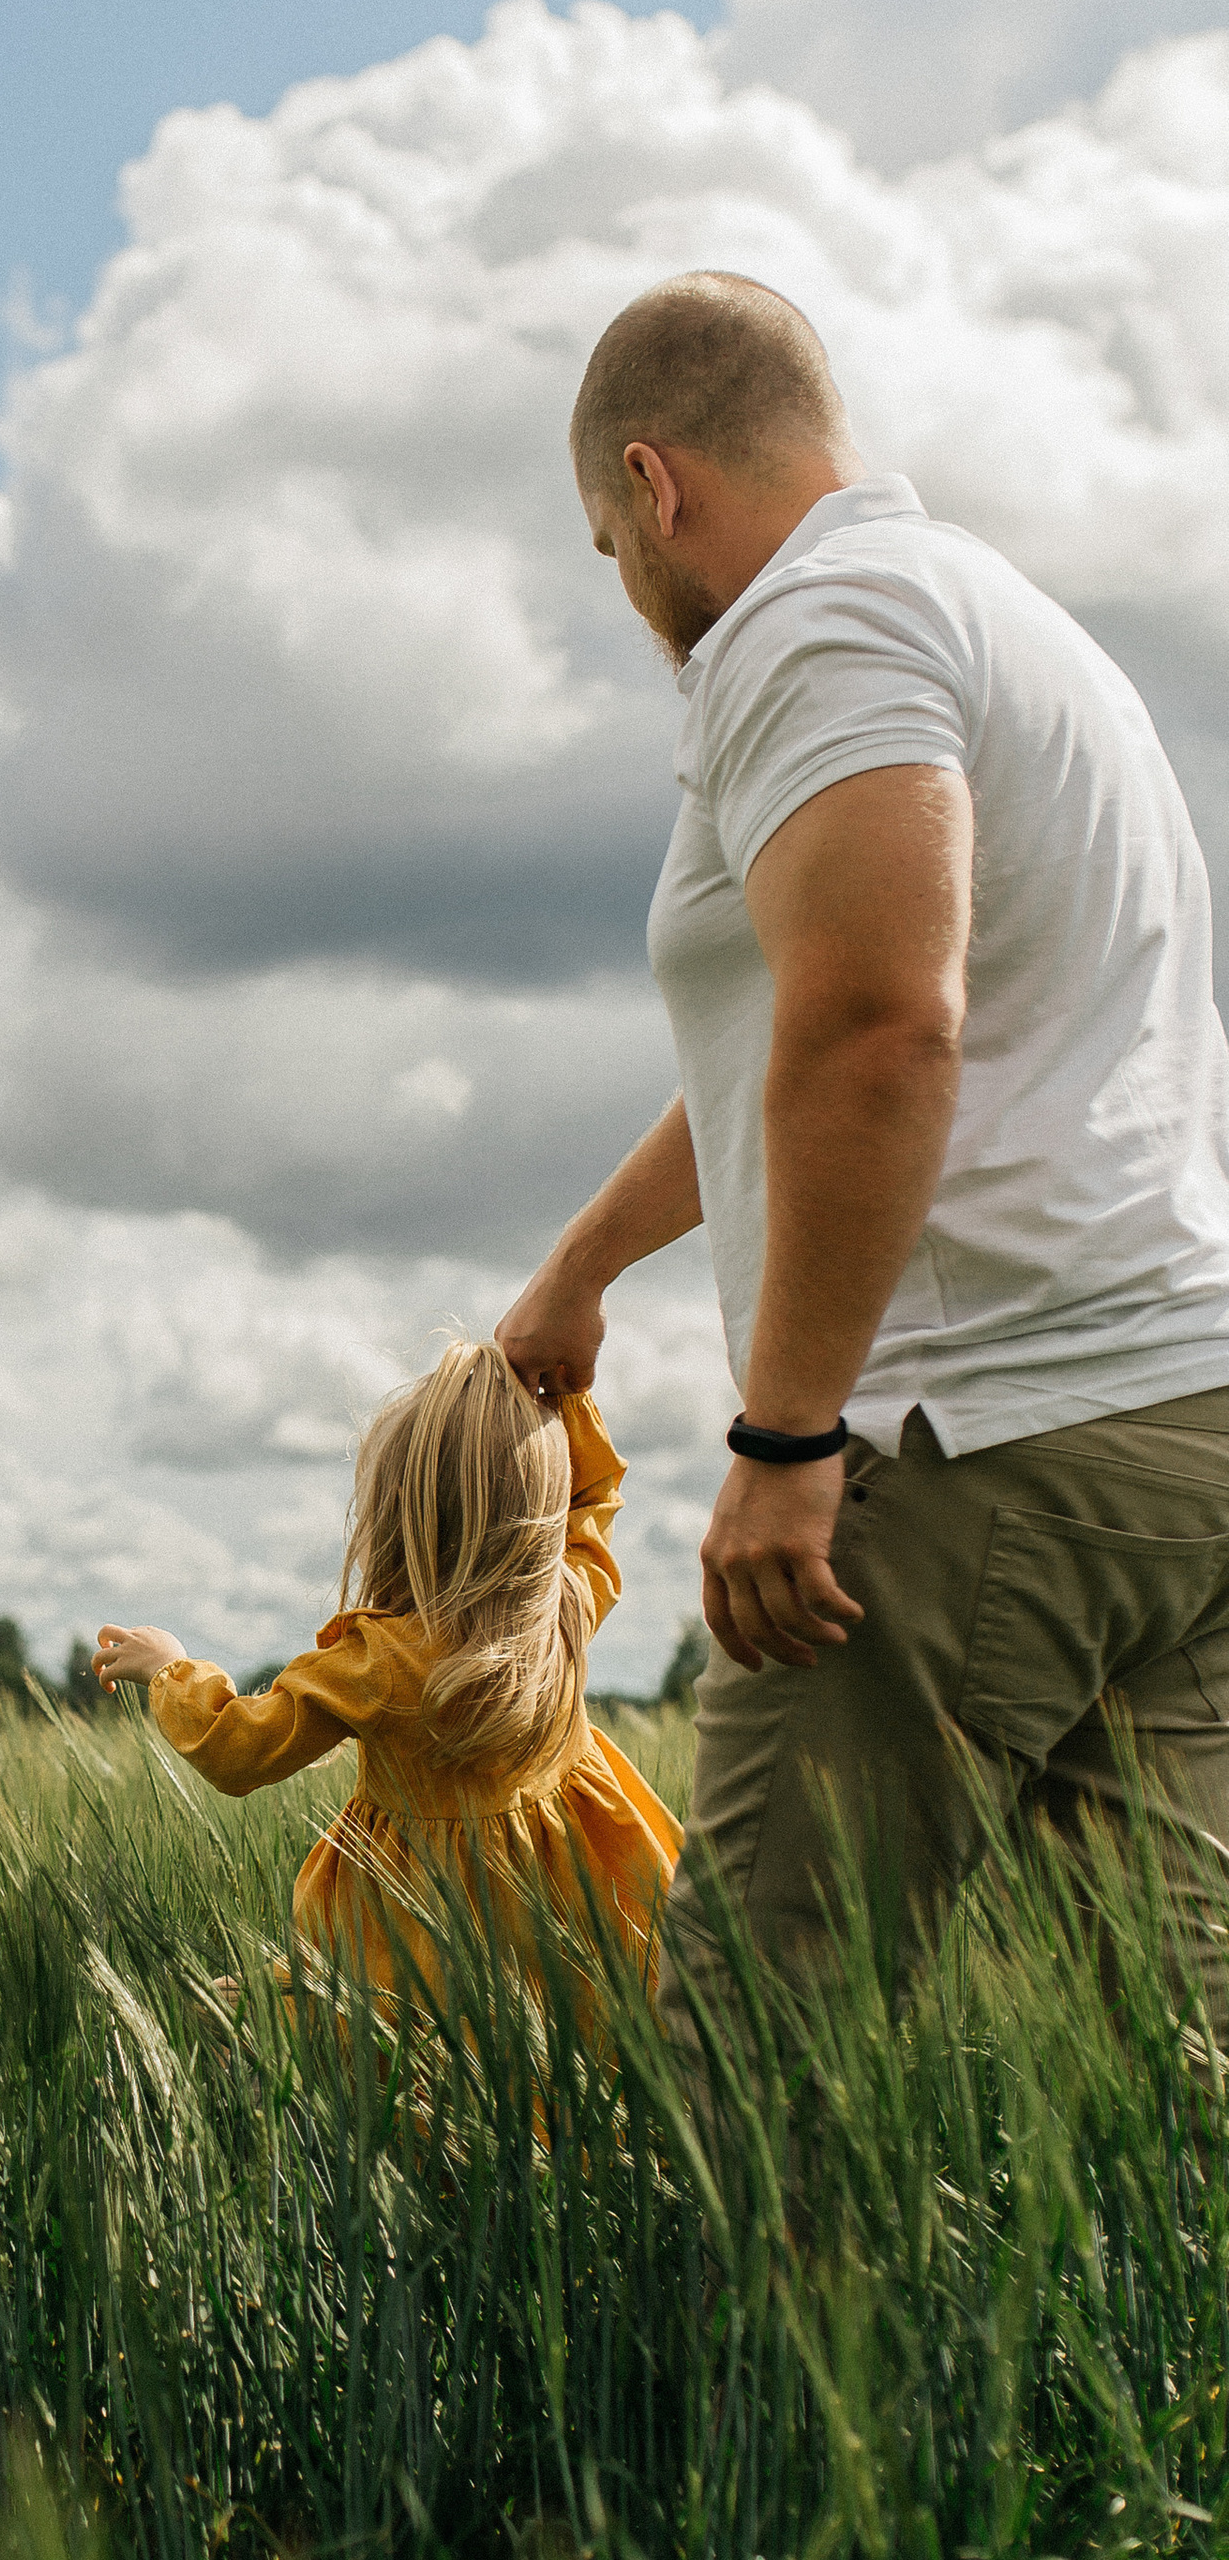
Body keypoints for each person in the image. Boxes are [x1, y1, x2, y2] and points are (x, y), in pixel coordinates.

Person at [497, 270, 1229, 2045]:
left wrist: (789, 1434)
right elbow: (789, 1029)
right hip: (1180, 1437)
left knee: (757, 2059)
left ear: (657, 486)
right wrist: (585, 1269)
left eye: (609, 550)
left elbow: (882, 1026)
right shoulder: (1002, 617)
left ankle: (742, 2344)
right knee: (1157, 2071)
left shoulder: (816, 629)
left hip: (965, 1441)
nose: (633, 597)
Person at [93, 1345, 681, 2026]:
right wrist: (567, 1402)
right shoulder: (565, 1610)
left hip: (418, 1939)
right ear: (541, 1518)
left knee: (386, 2057)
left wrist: (170, 1668)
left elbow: (236, 1750)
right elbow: (595, 1503)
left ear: (400, 1519)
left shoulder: (378, 1660)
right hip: (573, 1917)